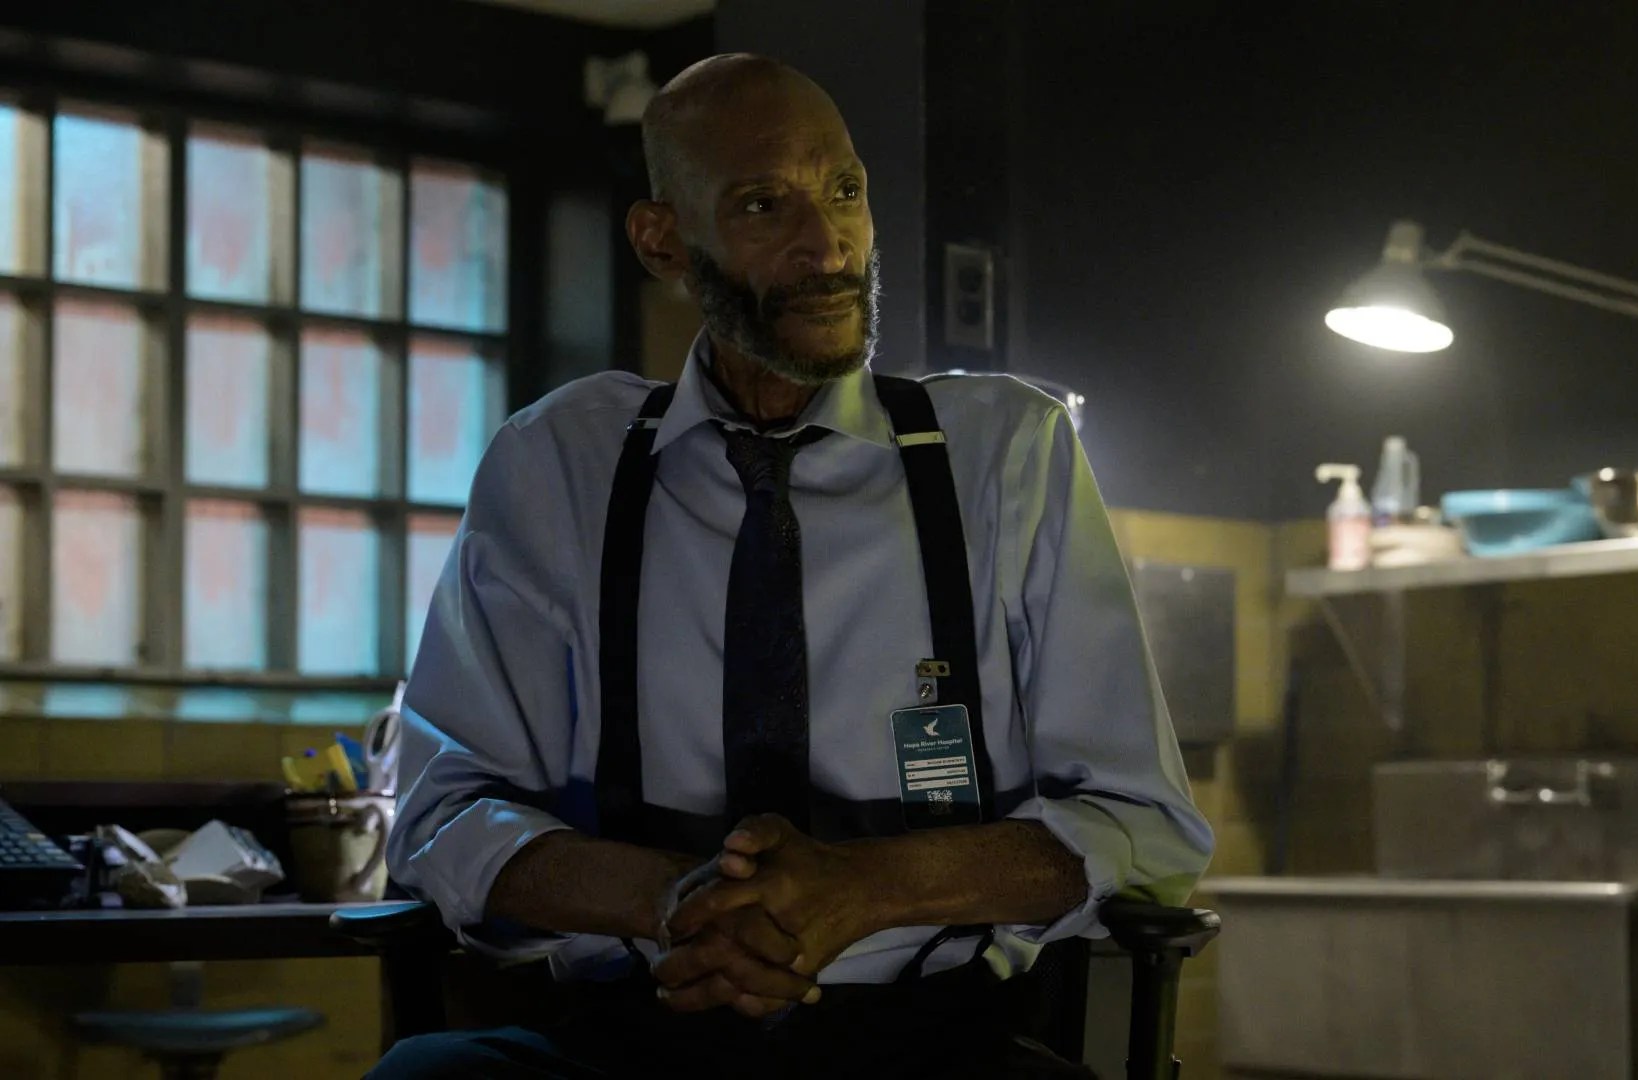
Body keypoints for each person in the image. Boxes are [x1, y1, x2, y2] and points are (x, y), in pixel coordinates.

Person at [369, 53, 1212, 1079]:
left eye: (845, 191)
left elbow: (1142, 823)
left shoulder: (1005, 454)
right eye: (767, 204)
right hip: (636, 1033)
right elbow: (445, 813)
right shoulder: (558, 463)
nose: (830, 246)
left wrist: (867, 890)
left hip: (929, 1041)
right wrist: (672, 901)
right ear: (663, 239)